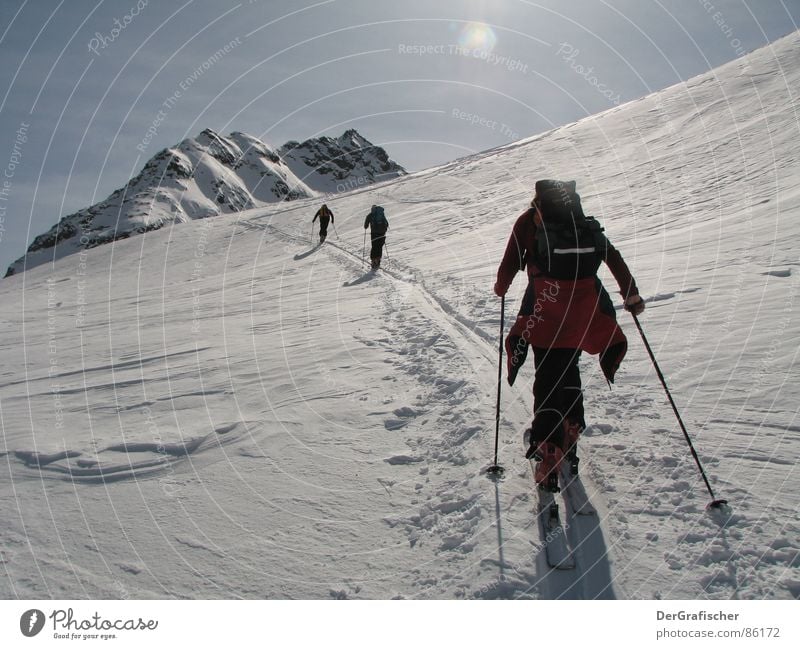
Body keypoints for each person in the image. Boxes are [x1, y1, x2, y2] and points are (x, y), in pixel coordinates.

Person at [494, 179, 645, 492]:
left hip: (546, 308)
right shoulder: (580, 221)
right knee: (569, 367)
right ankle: (571, 424)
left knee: (548, 373)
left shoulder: (529, 220)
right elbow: (611, 255)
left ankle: (547, 446)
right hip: (584, 309)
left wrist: (502, 286)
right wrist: (631, 295)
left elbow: (510, 260)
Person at [364, 205, 389, 269]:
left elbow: (365, 226)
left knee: (374, 246)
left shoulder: (370, 215)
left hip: (374, 233)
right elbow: (387, 223)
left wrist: (366, 226)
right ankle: (378, 260)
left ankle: (373, 261)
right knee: (379, 246)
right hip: (382, 233)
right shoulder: (381, 214)